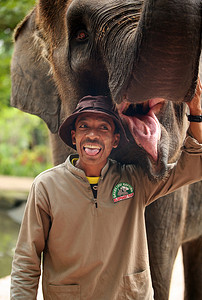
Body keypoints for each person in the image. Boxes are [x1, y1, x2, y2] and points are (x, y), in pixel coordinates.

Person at [10, 83, 202, 299]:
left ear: (115, 140)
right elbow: (26, 260)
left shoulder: (135, 181)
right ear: (74, 137)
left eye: (103, 128)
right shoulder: (46, 186)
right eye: (84, 127)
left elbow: (194, 167)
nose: (92, 135)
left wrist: (195, 114)